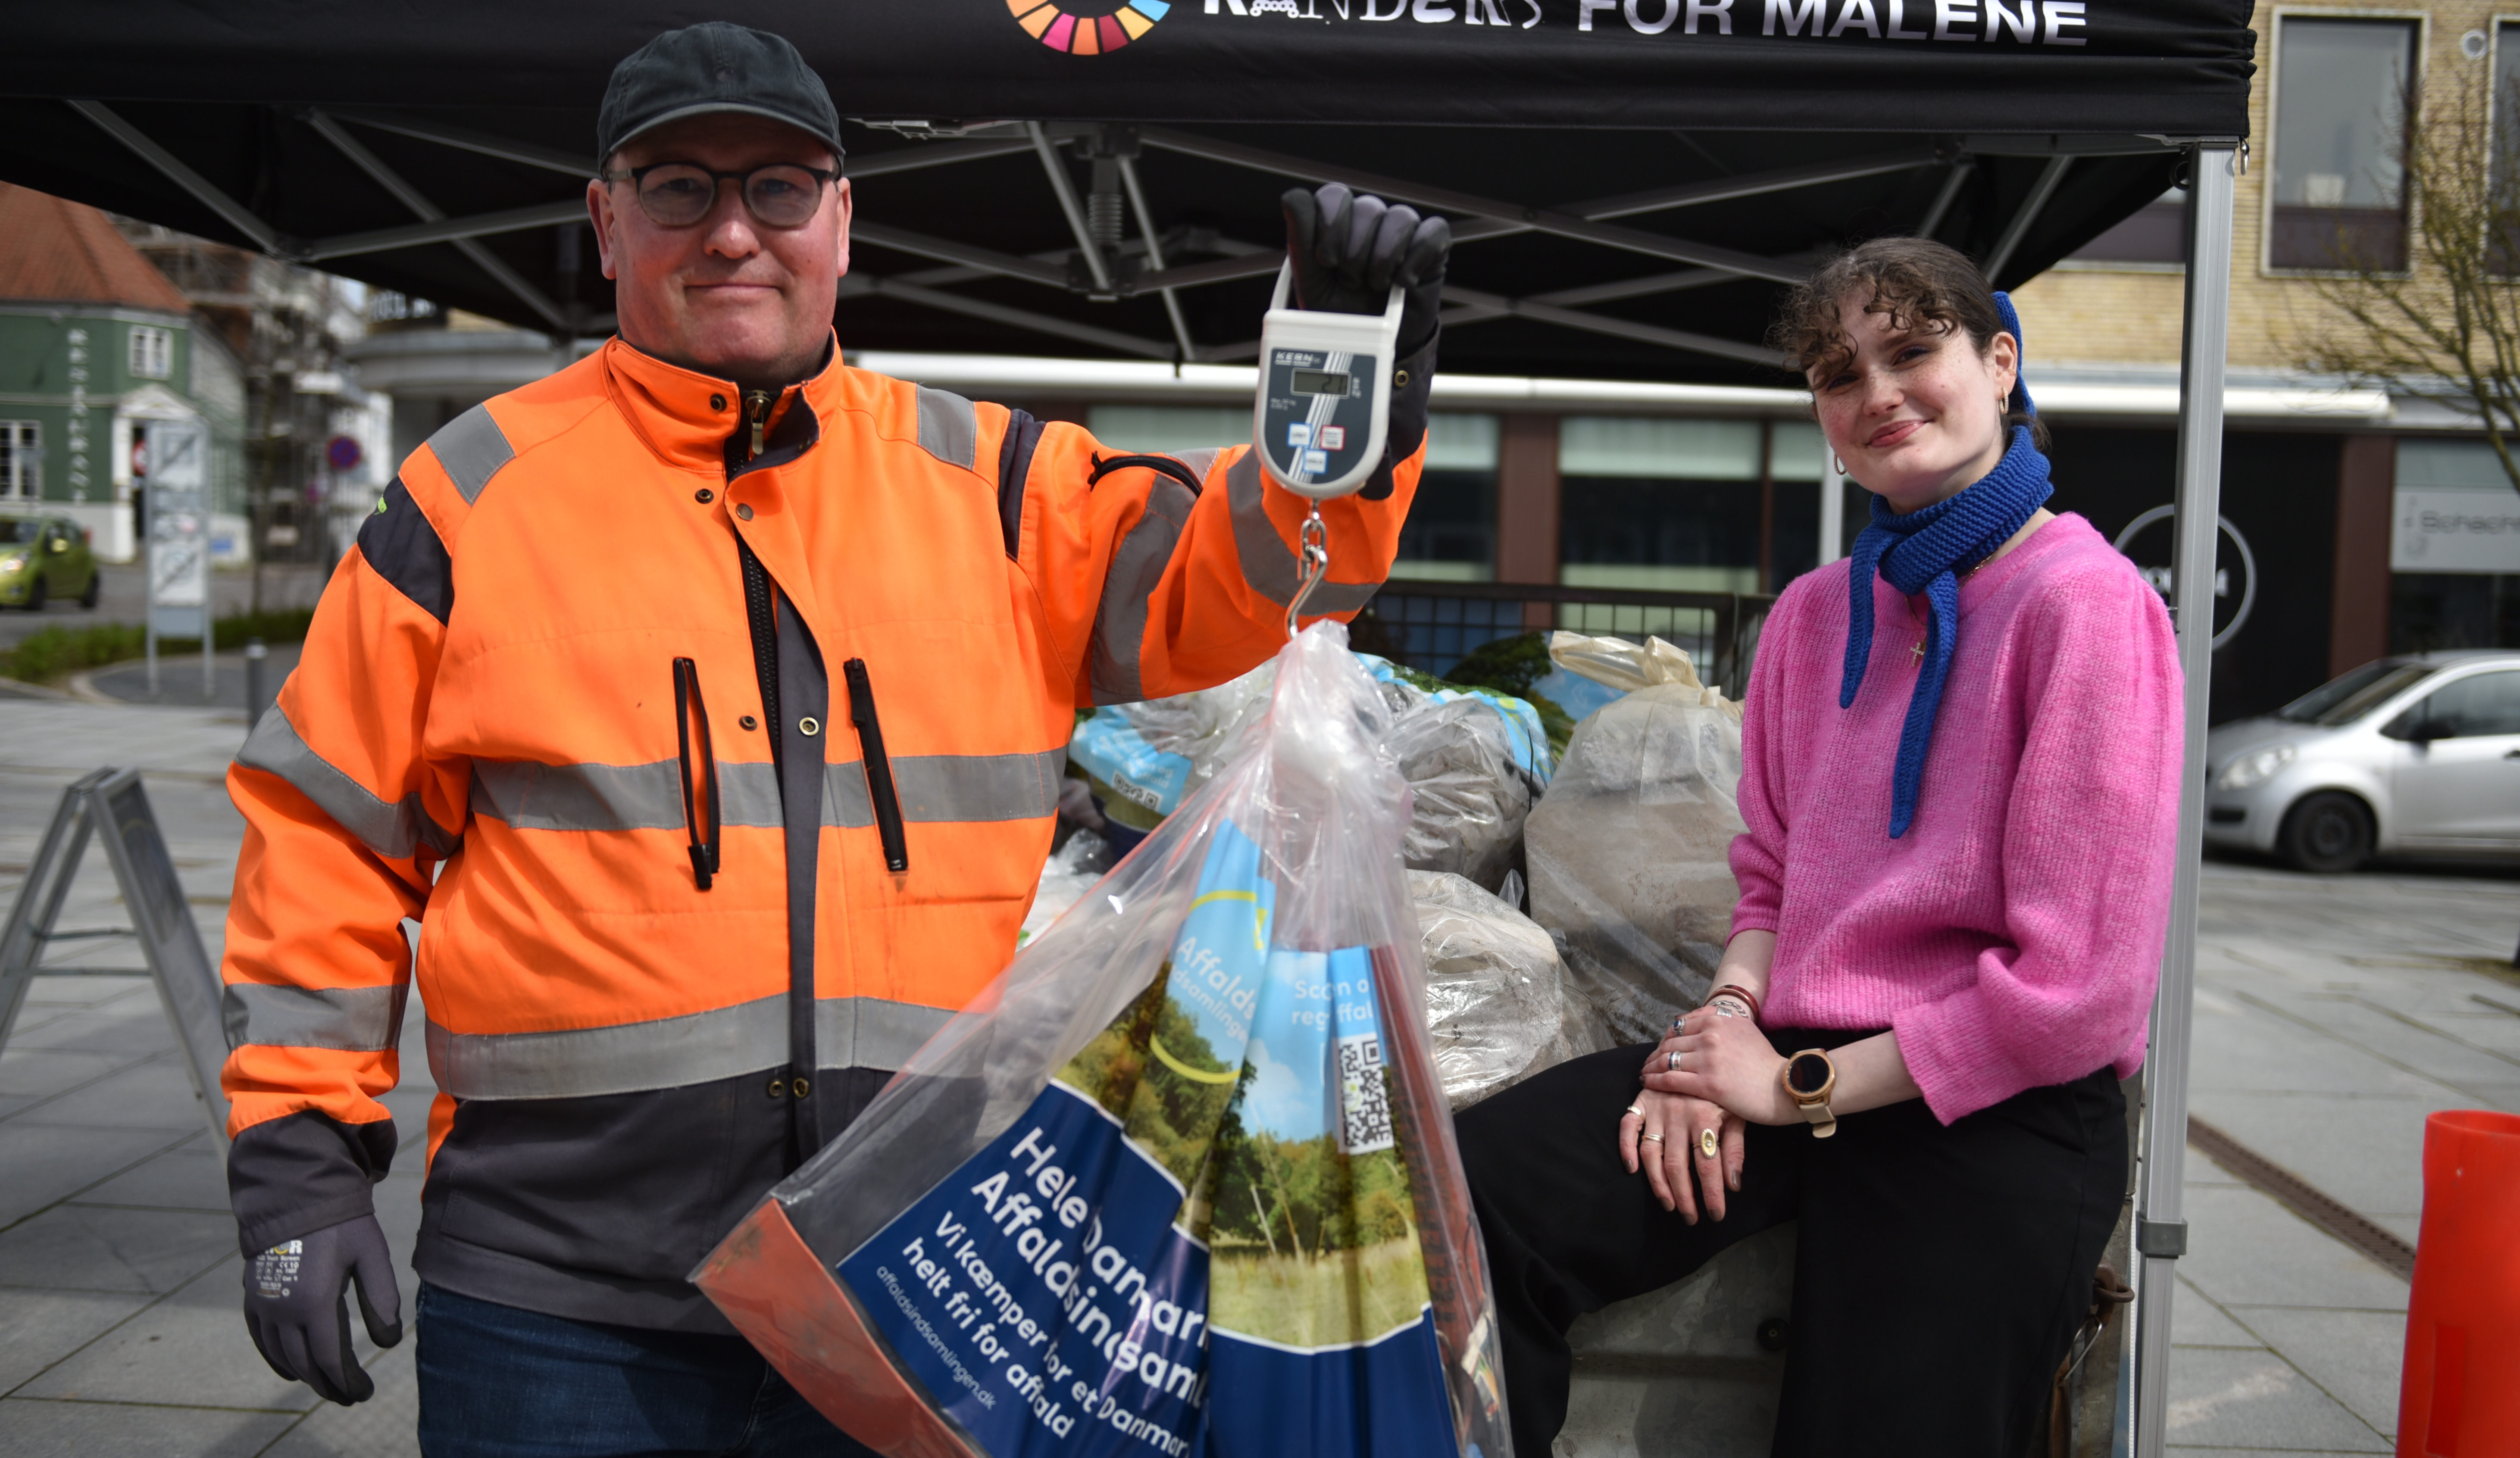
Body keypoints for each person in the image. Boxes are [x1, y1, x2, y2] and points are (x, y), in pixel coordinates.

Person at [216, 22, 1451, 1455]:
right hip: (558, 1296)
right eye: (679, 188)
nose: (733, 231)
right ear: (605, 223)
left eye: (781, 190)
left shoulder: (997, 486)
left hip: (913, 1285)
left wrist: (1347, 422)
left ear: (842, 222)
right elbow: (322, 840)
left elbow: (1251, 590)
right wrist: (299, 1168)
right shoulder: (464, 501)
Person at [1456, 236, 2181, 1456]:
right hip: (1801, 1053)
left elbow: (2079, 999)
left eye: (1912, 352)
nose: (1878, 393)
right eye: (1841, 374)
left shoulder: (2088, 605)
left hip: (1993, 1107)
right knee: (1468, 1198)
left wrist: (1794, 1094)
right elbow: (1776, 880)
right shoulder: (1814, 616)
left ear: (2000, 364)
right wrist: (1726, 1028)